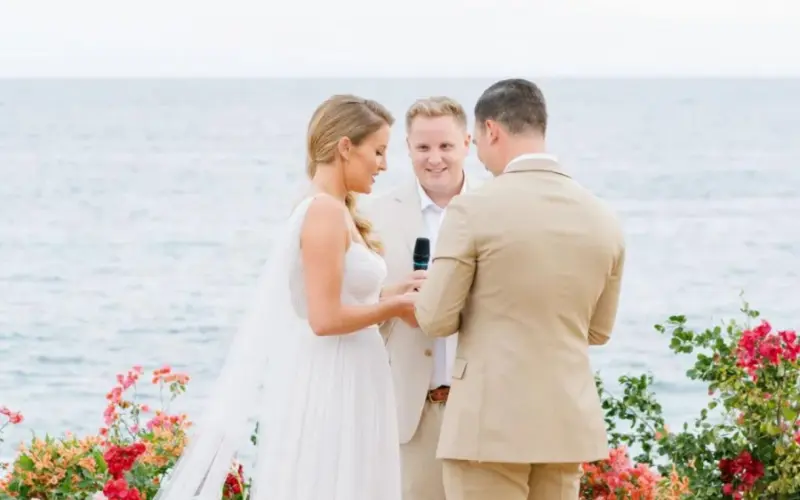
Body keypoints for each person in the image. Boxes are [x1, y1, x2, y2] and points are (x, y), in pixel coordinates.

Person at [154, 95, 422, 500]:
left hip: (354, 370)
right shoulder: (324, 213)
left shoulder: (336, 208)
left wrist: (392, 291)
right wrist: (394, 308)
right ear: (345, 147)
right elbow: (324, 318)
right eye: (379, 151)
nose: (384, 165)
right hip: (336, 375)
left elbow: (341, 292)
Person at [414, 79, 626, 500]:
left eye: (477, 140)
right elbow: (599, 332)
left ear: (492, 130)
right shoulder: (604, 217)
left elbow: (435, 318)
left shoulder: (472, 209)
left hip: (488, 428)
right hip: (565, 425)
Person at [361, 96, 478, 500]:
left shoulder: (495, 210)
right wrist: (395, 299)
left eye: (446, 146)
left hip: (481, 409)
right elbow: (354, 307)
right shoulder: (372, 215)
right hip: (409, 412)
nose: (435, 159)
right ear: (407, 148)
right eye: (423, 148)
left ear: (468, 142)